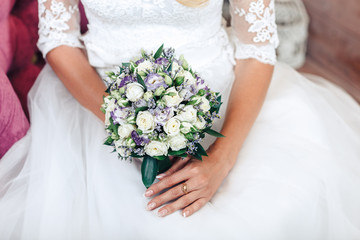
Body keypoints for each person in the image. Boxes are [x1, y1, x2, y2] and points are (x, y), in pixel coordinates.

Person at [0, 0, 359, 239]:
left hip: (222, 99)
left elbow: (256, 49)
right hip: (99, 103)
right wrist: (122, 121)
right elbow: (58, 37)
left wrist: (222, 156)